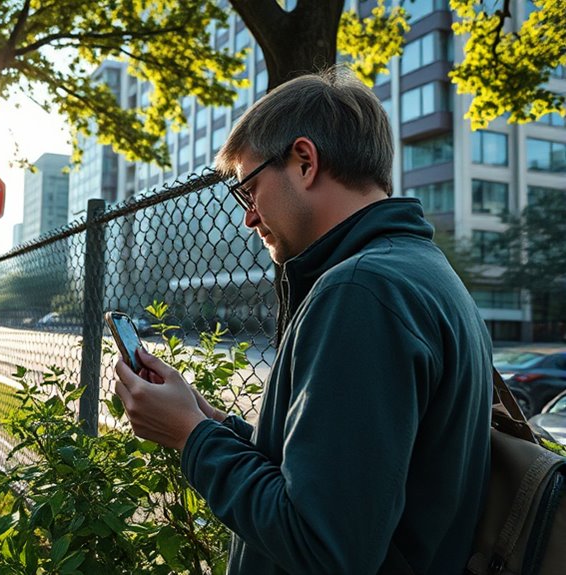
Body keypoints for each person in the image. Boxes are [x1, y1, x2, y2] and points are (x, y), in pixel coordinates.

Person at [113, 67, 492, 574]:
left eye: (248, 189)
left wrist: (190, 438)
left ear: (305, 161)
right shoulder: (422, 269)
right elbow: (343, 478)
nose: (248, 216)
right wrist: (213, 424)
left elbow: (322, 546)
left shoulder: (361, 291)